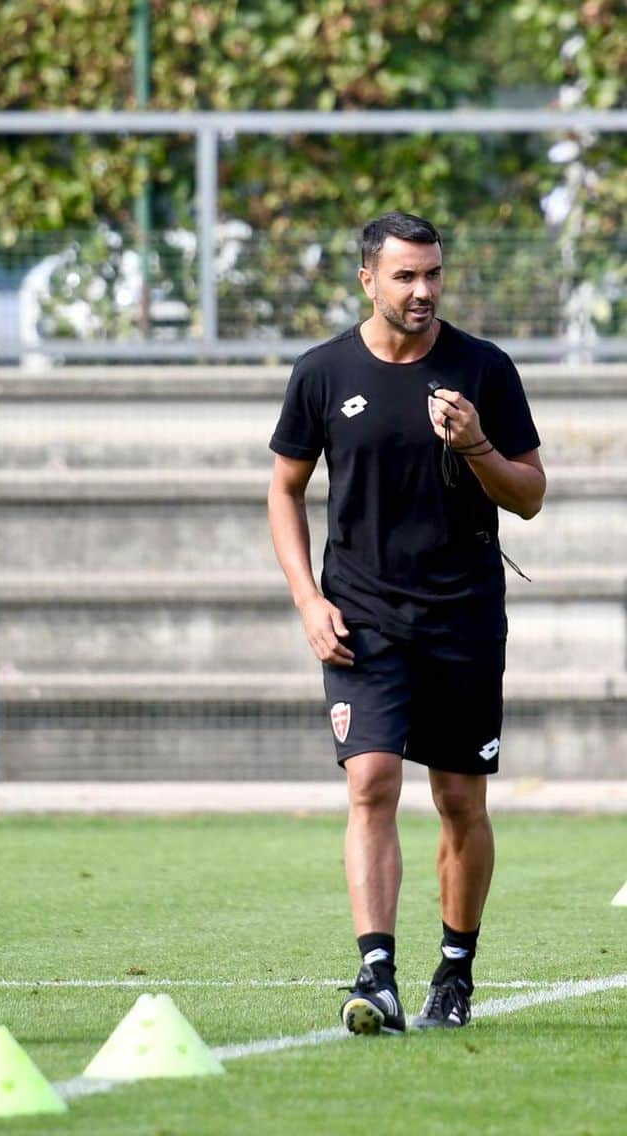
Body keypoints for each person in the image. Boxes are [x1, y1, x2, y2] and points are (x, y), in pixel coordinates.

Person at [268, 212, 545, 1035]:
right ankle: (376, 971)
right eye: (404, 276)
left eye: (432, 274)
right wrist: (307, 600)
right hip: (363, 614)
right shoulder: (322, 373)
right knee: (370, 781)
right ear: (367, 279)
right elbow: (283, 488)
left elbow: (529, 494)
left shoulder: (483, 369)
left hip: (462, 617)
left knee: (460, 799)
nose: (422, 291)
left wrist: (477, 445)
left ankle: (454, 972)